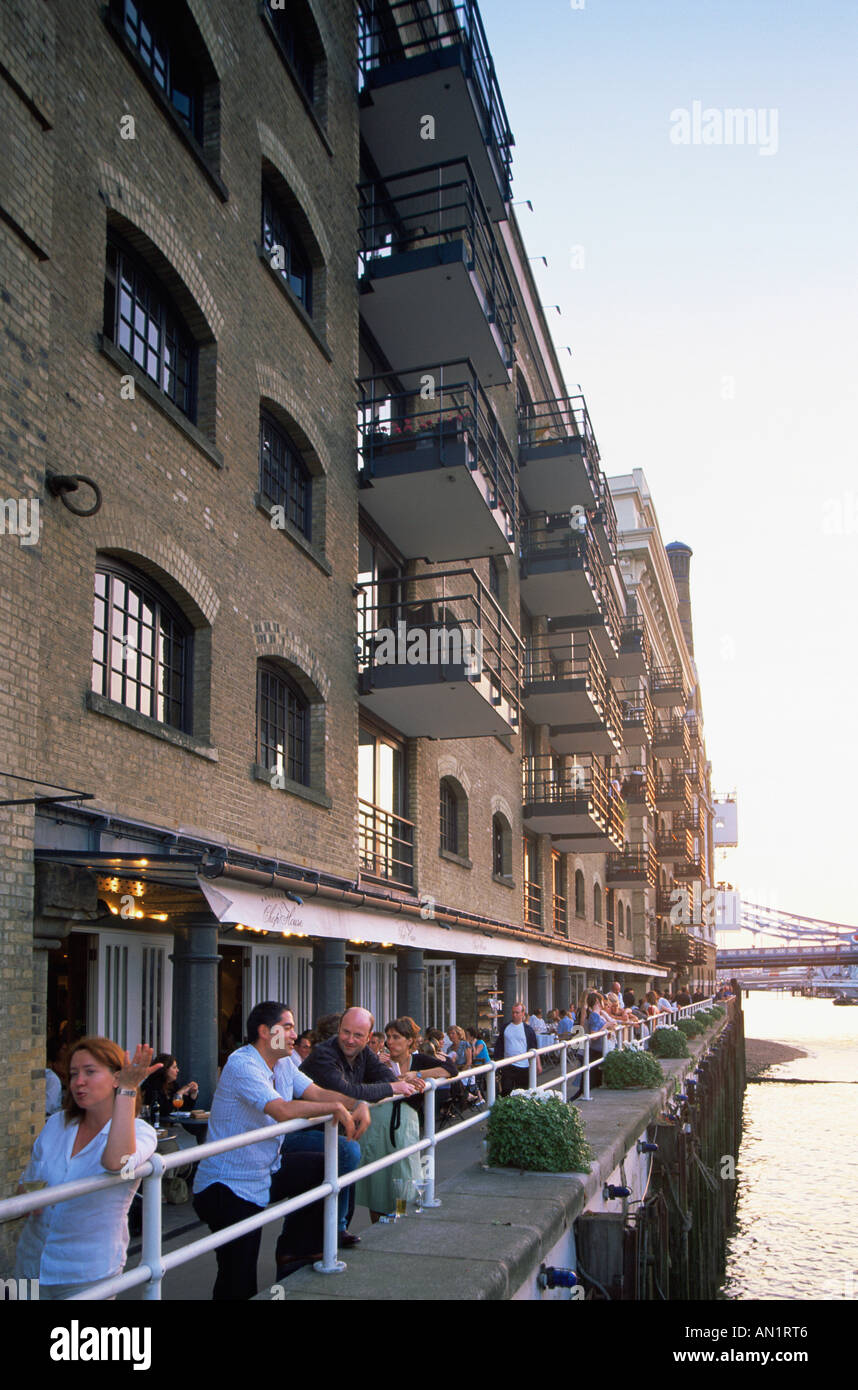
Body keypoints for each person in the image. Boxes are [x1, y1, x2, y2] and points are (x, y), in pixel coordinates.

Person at [192, 1001, 372, 1299]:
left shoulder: (285, 1062)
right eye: (287, 1027)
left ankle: (297, 1250)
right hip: (226, 1187)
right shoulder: (243, 1064)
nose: (294, 1034)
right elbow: (282, 1110)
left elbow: (315, 1092)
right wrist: (336, 1107)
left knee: (326, 1166)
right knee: (238, 1276)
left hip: (264, 1172)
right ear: (265, 1032)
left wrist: (357, 1103)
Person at [15, 1036, 159, 1300]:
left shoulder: (141, 1132)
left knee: (80, 1343)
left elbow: (117, 1163)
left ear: (116, 1078)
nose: (78, 1082)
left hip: (87, 1273)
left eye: (90, 1072)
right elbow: (28, 1182)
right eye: (73, 1074)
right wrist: (27, 1197)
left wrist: (128, 1090)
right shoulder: (57, 1124)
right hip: (31, 1265)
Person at [355, 1016, 456, 1221]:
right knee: (378, 1181)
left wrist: (416, 1074)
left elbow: (450, 1070)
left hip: (405, 1127)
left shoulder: (419, 1060)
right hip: (377, 1126)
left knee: (403, 1178)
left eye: (396, 1037)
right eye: (389, 1037)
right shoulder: (378, 1062)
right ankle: (377, 1226)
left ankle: (399, 1219)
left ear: (410, 1040)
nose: (390, 1042)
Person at [493, 1002, 541, 1096]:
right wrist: (498, 1062)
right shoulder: (505, 1027)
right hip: (508, 1065)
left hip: (524, 1066)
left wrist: (538, 1064)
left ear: (523, 1014)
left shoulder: (528, 1030)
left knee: (523, 1093)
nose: (514, 1015)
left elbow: (534, 1048)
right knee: (506, 1091)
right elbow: (499, 1046)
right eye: (513, 1012)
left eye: (517, 1012)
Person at [570, 994, 610, 1099]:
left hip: (596, 1050)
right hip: (595, 1050)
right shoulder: (594, 1015)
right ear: (597, 1002)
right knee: (590, 1080)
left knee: (590, 1079)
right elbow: (593, 1035)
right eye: (600, 1001)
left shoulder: (597, 1014)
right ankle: (580, 1096)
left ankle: (580, 1095)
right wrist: (606, 1026)